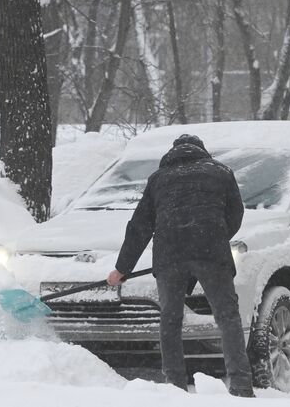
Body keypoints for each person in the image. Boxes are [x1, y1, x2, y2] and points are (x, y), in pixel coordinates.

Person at [107, 134, 254, 397]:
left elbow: (139, 226)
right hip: (211, 253)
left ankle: (174, 385)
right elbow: (236, 213)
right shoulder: (221, 172)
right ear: (202, 151)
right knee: (227, 317)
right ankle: (241, 384)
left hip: (169, 256)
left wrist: (121, 269)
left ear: (173, 153)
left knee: (171, 320)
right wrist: (214, 237)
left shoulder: (159, 179)